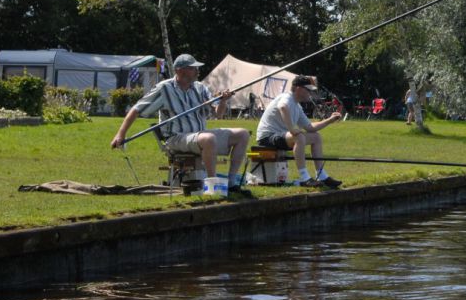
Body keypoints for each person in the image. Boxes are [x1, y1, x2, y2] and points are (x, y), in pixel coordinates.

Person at [111, 53, 252, 197]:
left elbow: (218, 114)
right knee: (208, 139)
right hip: (176, 138)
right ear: (180, 70)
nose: (197, 71)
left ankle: (232, 182)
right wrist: (120, 134)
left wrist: (222, 101)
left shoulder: (200, 88)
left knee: (242, 134)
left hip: (200, 135)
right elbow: (137, 109)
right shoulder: (164, 88)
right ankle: (213, 186)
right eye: (193, 68)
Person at [257, 75, 343, 188]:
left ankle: (322, 175)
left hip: (281, 136)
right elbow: (282, 107)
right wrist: (292, 129)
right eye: (308, 90)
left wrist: (329, 120)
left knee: (316, 137)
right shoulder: (287, 97)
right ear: (299, 89)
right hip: (267, 137)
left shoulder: (297, 106)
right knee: (299, 136)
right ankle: (304, 178)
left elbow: (310, 127)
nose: (310, 94)